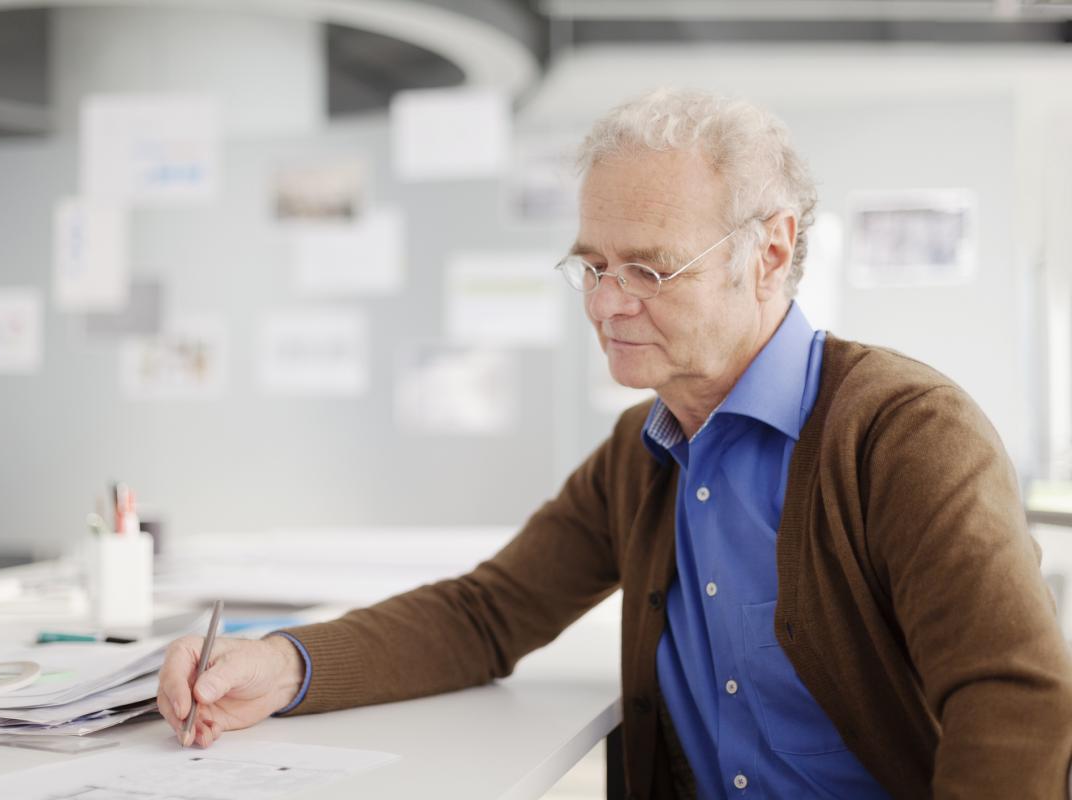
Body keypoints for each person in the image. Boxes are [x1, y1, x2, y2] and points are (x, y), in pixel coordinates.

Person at [158, 88, 1072, 798]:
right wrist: (281, 663)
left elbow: (1014, 704)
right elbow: (487, 613)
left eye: (649, 268)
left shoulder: (904, 433)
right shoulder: (642, 450)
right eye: (593, 266)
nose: (603, 304)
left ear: (769, 250)